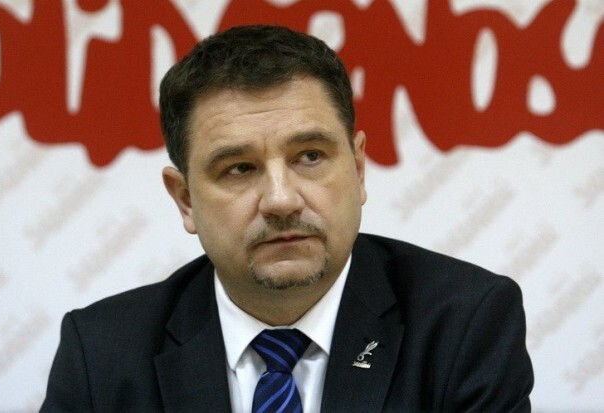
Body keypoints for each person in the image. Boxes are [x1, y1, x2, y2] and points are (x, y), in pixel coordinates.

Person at [41, 25, 533, 412]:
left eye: (310, 156)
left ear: (359, 169)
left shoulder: (463, 324)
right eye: (239, 168)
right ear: (185, 200)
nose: (280, 200)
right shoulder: (101, 354)